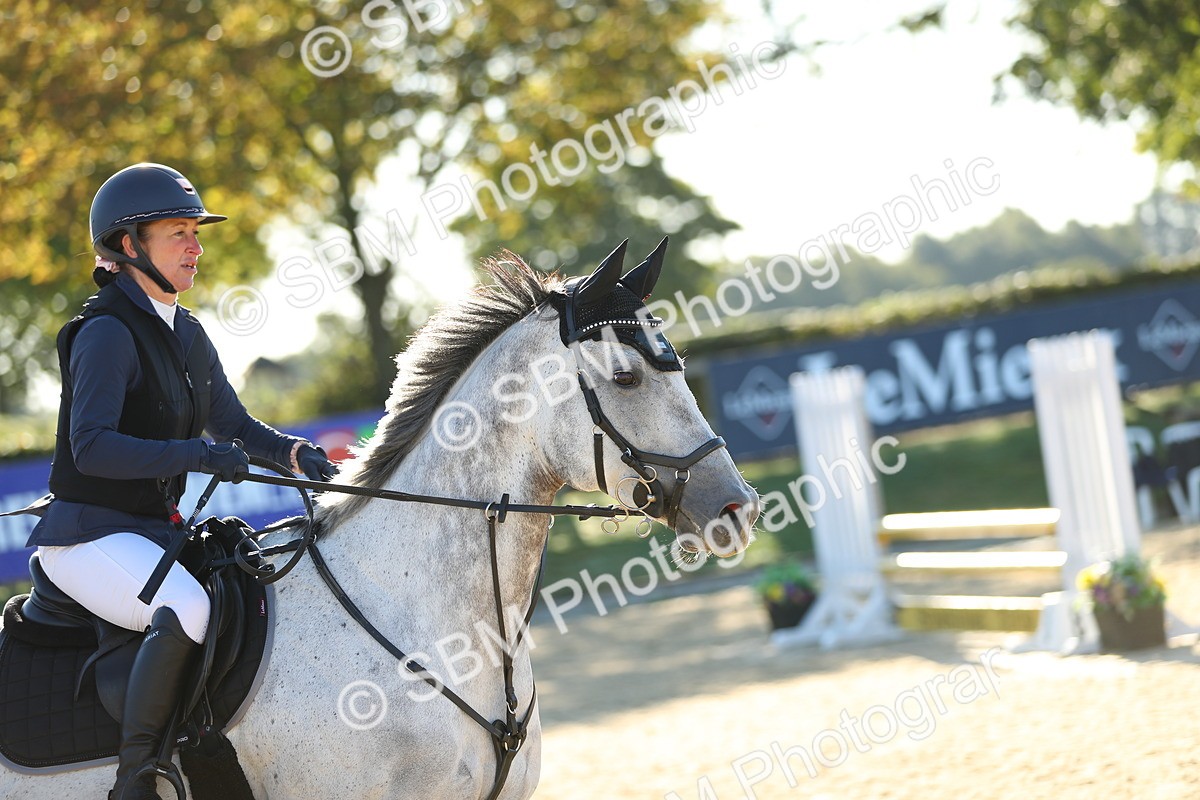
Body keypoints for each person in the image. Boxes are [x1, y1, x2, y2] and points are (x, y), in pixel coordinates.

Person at [25, 163, 337, 800]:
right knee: (187, 606)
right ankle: (135, 779)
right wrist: (193, 454)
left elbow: (233, 422)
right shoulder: (106, 333)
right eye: (178, 232)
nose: (196, 247)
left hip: (147, 533)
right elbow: (91, 449)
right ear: (129, 245)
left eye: (196, 232)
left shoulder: (188, 332)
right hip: (86, 538)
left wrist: (297, 455)